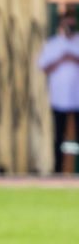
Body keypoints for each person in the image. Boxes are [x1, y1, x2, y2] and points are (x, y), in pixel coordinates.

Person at [37, 15, 79, 174]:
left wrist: (74, 58)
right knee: (59, 137)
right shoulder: (52, 44)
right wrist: (61, 59)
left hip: (77, 97)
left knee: (75, 140)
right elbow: (43, 67)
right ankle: (58, 170)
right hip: (59, 98)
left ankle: (75, 169)